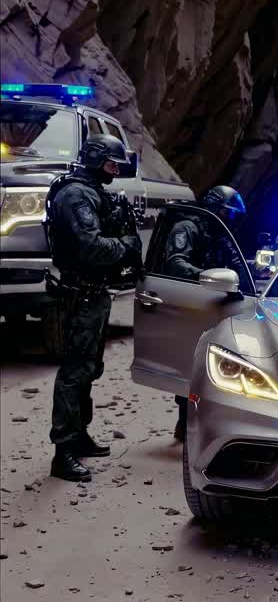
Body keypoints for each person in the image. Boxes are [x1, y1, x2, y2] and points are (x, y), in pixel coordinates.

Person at [46, 135, 142, 482]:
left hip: (93, 293)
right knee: (74, 373)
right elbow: (92, 247)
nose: (115, 171)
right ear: (96, 159)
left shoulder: (91, 192)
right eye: (111, 164)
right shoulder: (76, 195)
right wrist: (127, 245)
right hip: (80, 295)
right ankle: (64, 452)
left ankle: (80, 435)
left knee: (88, 369)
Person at [167, 185, 247, 441]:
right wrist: (204, 278)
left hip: (215, 302)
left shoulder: (218, 233)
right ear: (216, 208)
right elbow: (176, 263)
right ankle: (185, 423)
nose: (231, 219)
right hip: (192, 302)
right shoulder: (187, 229)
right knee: (190, 365)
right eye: (229, 213)